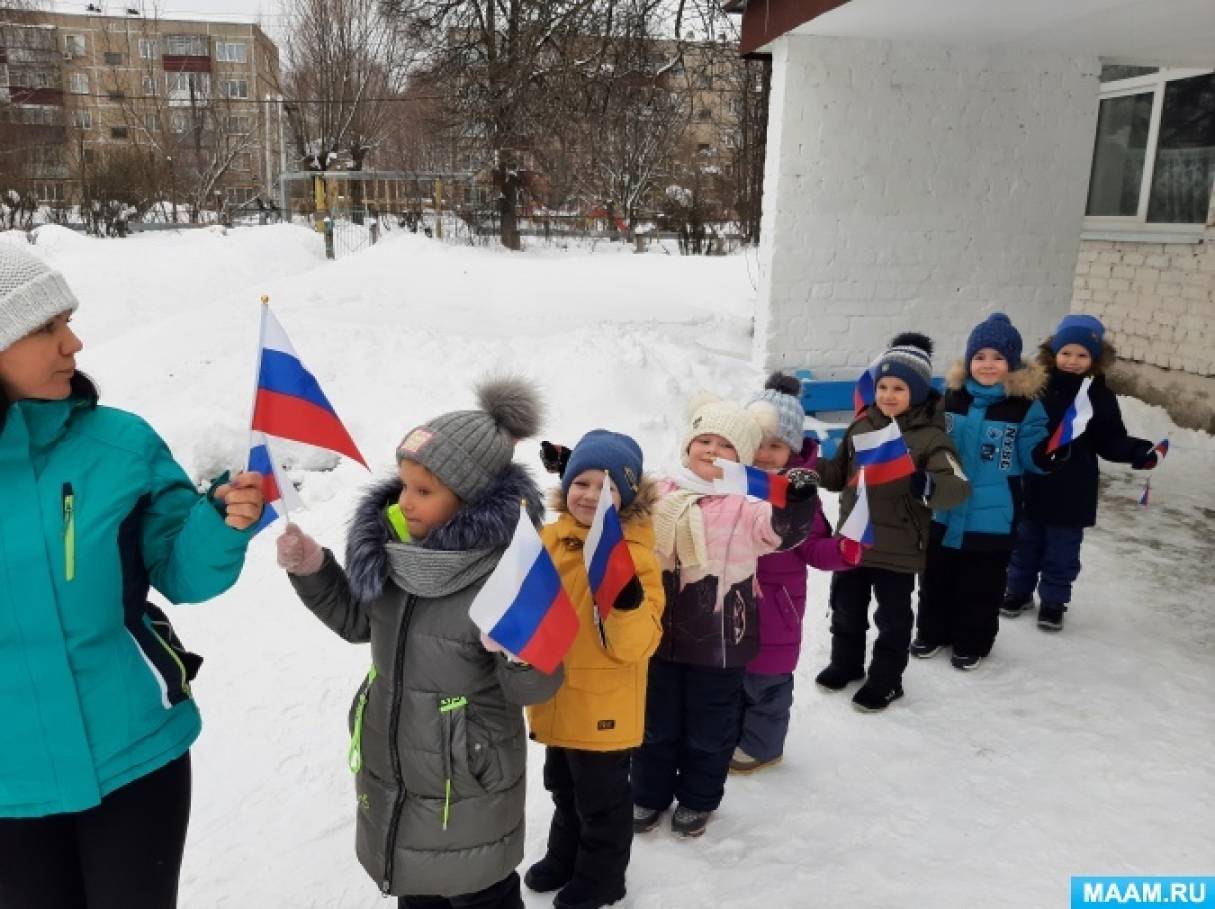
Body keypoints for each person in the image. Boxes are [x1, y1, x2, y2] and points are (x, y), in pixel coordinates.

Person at [0, 242, 264, 909]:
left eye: (69, 320)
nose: (74, 343)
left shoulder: (119, 445)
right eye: (46, 328)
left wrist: (219, 524)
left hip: (135, 755)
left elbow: (181, 570)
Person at [276, 377, 564, 908]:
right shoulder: (392, 547)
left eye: (424, 491)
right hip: (397, 761)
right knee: (414, 882)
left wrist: (516, 647)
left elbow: (539, 686)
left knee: (480, 891)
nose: (405, 501)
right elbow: (359, 624)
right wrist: (314, 570)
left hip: (468, 776)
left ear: (470, 499)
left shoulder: (511, 569)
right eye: (405, 484)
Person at [630, 393, 820, 839]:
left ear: (743, 457)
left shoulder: (747, 501)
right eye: (704, 439)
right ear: (688, 444)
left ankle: (697, 800)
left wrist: (795, 503)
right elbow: (618, 516)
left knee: (709, 728)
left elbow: (778, 533)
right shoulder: (658, 491)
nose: (712, 450)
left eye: (726, 444)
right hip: (658, 634)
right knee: (655, 722)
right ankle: (648, 792)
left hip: (721, 637)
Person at [525, 431, 665, 909]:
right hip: (556, 693)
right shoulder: (551, 539)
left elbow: (639, 644)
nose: (589, 495)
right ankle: (564, 856)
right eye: (580, 483)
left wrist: (625, 605)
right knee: (563, 788)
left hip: (603, 706)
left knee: (601, 803)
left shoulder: (636, 557)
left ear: (624, 496)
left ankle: (603, 879)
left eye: (604, 486)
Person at [814, 333, 970, 712]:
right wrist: (808, 465)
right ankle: (846, 663)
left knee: (893, 620)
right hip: (854, 540)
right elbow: (836, 476)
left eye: (899, 388)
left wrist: (928, 484)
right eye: (882, 386)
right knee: (846, 608)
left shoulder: (932, 438)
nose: (887, 395)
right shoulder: (862, 425)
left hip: (899, 548)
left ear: (916, 392)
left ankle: (886, 681)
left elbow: (957, 487)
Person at [730, 373, 856, 774]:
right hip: (728, 605)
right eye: (758, 444)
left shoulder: (799, 498)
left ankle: (763, 747)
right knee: (730, 680)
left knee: (766, 686)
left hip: (775, 611)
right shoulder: (729, 486)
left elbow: (815, 548)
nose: (765, 454)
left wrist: (843, 551)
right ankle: (731, 735)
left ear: (794, 449)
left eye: (776, 445)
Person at [911, 314, 1051, 671]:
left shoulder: (1024, 407)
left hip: (994, 515)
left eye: (997, 358)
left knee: (982, 585)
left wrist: (1047, 454)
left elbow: (1032, 454)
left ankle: (971, 641)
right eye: (980, 357)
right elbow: (931, 440)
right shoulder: (952, 398)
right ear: (969, 360)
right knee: (936, 577)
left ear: (1012, 363)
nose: (988, 365)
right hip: (944, 509)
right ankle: (931, 631)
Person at [1003, 314, 1159, 631]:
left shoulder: (1099, 397)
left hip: (1074, 488)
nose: (1073, 361)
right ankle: (1017, 591)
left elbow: (1110, 439)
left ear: (1094, 359)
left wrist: (1137, 452)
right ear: (1053, 353)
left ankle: (1053, 601)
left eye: (1082, 355)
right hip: (1033, 481)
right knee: (1024, 543)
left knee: (1062, 551)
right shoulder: (1035, 387)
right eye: (1066, 353)